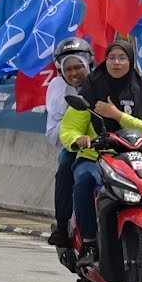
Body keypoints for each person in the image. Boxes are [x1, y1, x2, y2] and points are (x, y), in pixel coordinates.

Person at [59, 38, 142, 268]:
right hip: (98, 156)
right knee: (84, 180)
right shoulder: (92, 88)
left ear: (131, 60)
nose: (116, 62)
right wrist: (79, 140)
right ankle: (90, 243)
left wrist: (117, 115)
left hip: (138, 157)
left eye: (122, 57)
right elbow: (69, 128)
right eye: (112, 57)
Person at [45, 37, 93, 247]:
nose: (74, 73)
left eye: (78, 67)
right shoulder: (56, 90)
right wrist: (73, 137)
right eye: (68, 69)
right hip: (77, 145)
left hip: (110, 142)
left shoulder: (103, 80)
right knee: (65, 167)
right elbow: (53, 132)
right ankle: (62, 225)